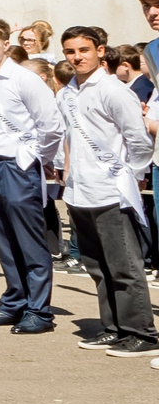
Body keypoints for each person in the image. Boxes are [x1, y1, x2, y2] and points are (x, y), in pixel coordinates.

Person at [54, 27, 155, 356]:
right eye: (70, 52)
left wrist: (132, 176)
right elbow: (68, 136)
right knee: (97, 266)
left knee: (124, 265)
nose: (77, 57)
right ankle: (113, 328)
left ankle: (141, 333)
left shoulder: (113, 90)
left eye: (84, 50)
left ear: (100, 51)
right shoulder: (66, 93)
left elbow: (138, 139)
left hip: (111, 191)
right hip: (79, 191)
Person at [0, 17, 63, 335]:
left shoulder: (24, 79)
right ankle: (15, 301)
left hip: (16, 166)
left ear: (5, 44)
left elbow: (51, 126)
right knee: (3, 241)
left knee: (29, 241)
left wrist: (33, 158)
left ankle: (39, 310)